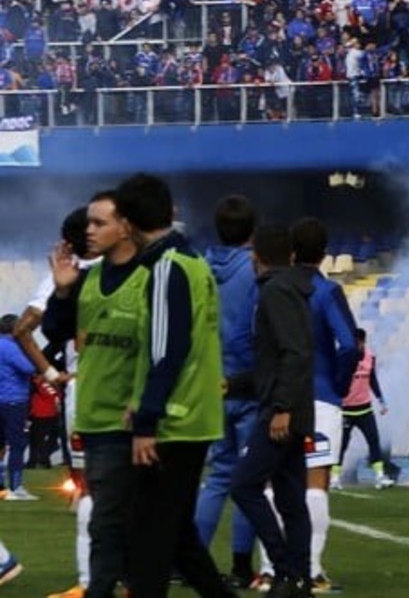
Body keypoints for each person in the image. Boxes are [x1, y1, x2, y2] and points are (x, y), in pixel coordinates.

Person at [114, 173, 230, 598]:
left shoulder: (165, 269)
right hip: (196, 415)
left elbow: (168, 349)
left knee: (147, 542)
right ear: (171, 212)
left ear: (126, 224)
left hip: (173, 422)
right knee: (177, 536)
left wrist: (147, 418)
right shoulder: (194, 263)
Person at [44, 190, 142, 598]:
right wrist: (62, 292)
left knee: (137, 503)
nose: (92, 231)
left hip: (136, 406)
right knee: (98, 497)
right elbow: (49, 328)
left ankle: (115, 579)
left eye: (99, 223)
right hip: (93, 404)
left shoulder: (147, 274)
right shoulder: (78, 279)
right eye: (89, 225)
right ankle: (96, 583)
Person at [230, 224, 315, 598]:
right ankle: (298, 578)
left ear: (256, 256)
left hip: (282, 410)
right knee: (291, 499)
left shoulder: (276, 292)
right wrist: (233, 385)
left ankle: (284, 569)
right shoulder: (288, 289)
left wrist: (281, 407)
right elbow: (278, 359)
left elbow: (294, 353)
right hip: (291, 406)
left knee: (244, 485)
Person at [290, 217, 360, 593]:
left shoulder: (271, 288)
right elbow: (349, 345)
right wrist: (340, 382)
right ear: (324, 252)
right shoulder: (327, 291)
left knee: (276, 484)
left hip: (277, 398)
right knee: (315, 484)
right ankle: (312, 570)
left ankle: (272, 569)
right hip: (320, 396)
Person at [194, 195, 260, 589]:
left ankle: (194, 558)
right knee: (250, 481)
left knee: (218, 475)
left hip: (211, 385)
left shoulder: (200, 268)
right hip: (249, 384)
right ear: (251, 231)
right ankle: (240, 564)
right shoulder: (254, 270)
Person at [337, 328, 394, 490]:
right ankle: (334, 477)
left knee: (373, 442)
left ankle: (379, 477)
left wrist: (381, 400)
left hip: (365, 409)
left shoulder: (370, 357)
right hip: (346, 409)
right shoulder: (341, 356)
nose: (358, 345)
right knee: (341, 445)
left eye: (360, 342)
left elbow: (372, 379)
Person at [0, 314, 36, 501]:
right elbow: (29, 367)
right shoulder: (12, 347)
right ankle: (16, 486)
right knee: (17, 444)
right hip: (14, 401)